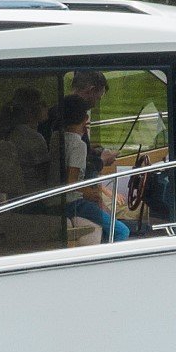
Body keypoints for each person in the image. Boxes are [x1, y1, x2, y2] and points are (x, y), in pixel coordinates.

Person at [53, 93, 130, 243]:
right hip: (73, 203)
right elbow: (70, 183)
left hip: (55, 201)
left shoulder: (56, 137)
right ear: (85, 119)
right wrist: (90, 192)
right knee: (122, 231)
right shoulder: (78, 145)